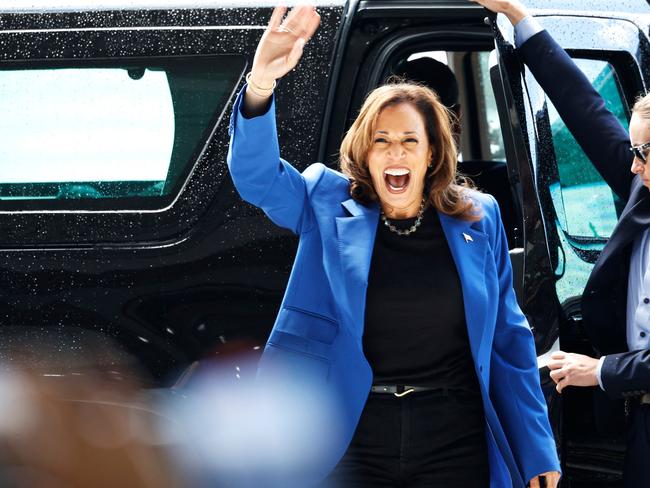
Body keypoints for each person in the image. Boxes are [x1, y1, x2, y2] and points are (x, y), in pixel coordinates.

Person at [227, 5, 560, 487]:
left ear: (432, 153)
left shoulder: (478, 215)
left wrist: (538, 451)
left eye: (410, 140)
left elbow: (509, 342)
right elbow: (256, 178)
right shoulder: (324, 199)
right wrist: (261, 83)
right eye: (381, 140)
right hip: (350, 430)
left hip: (454, 434)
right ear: (364, 151)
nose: (396, 152)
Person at [472, 1, 650, 486]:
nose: (632, 164)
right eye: (633, 150)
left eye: (644, 152)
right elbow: (583, 105)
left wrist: (603, 372)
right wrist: (514, 12)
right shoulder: (643, 182)